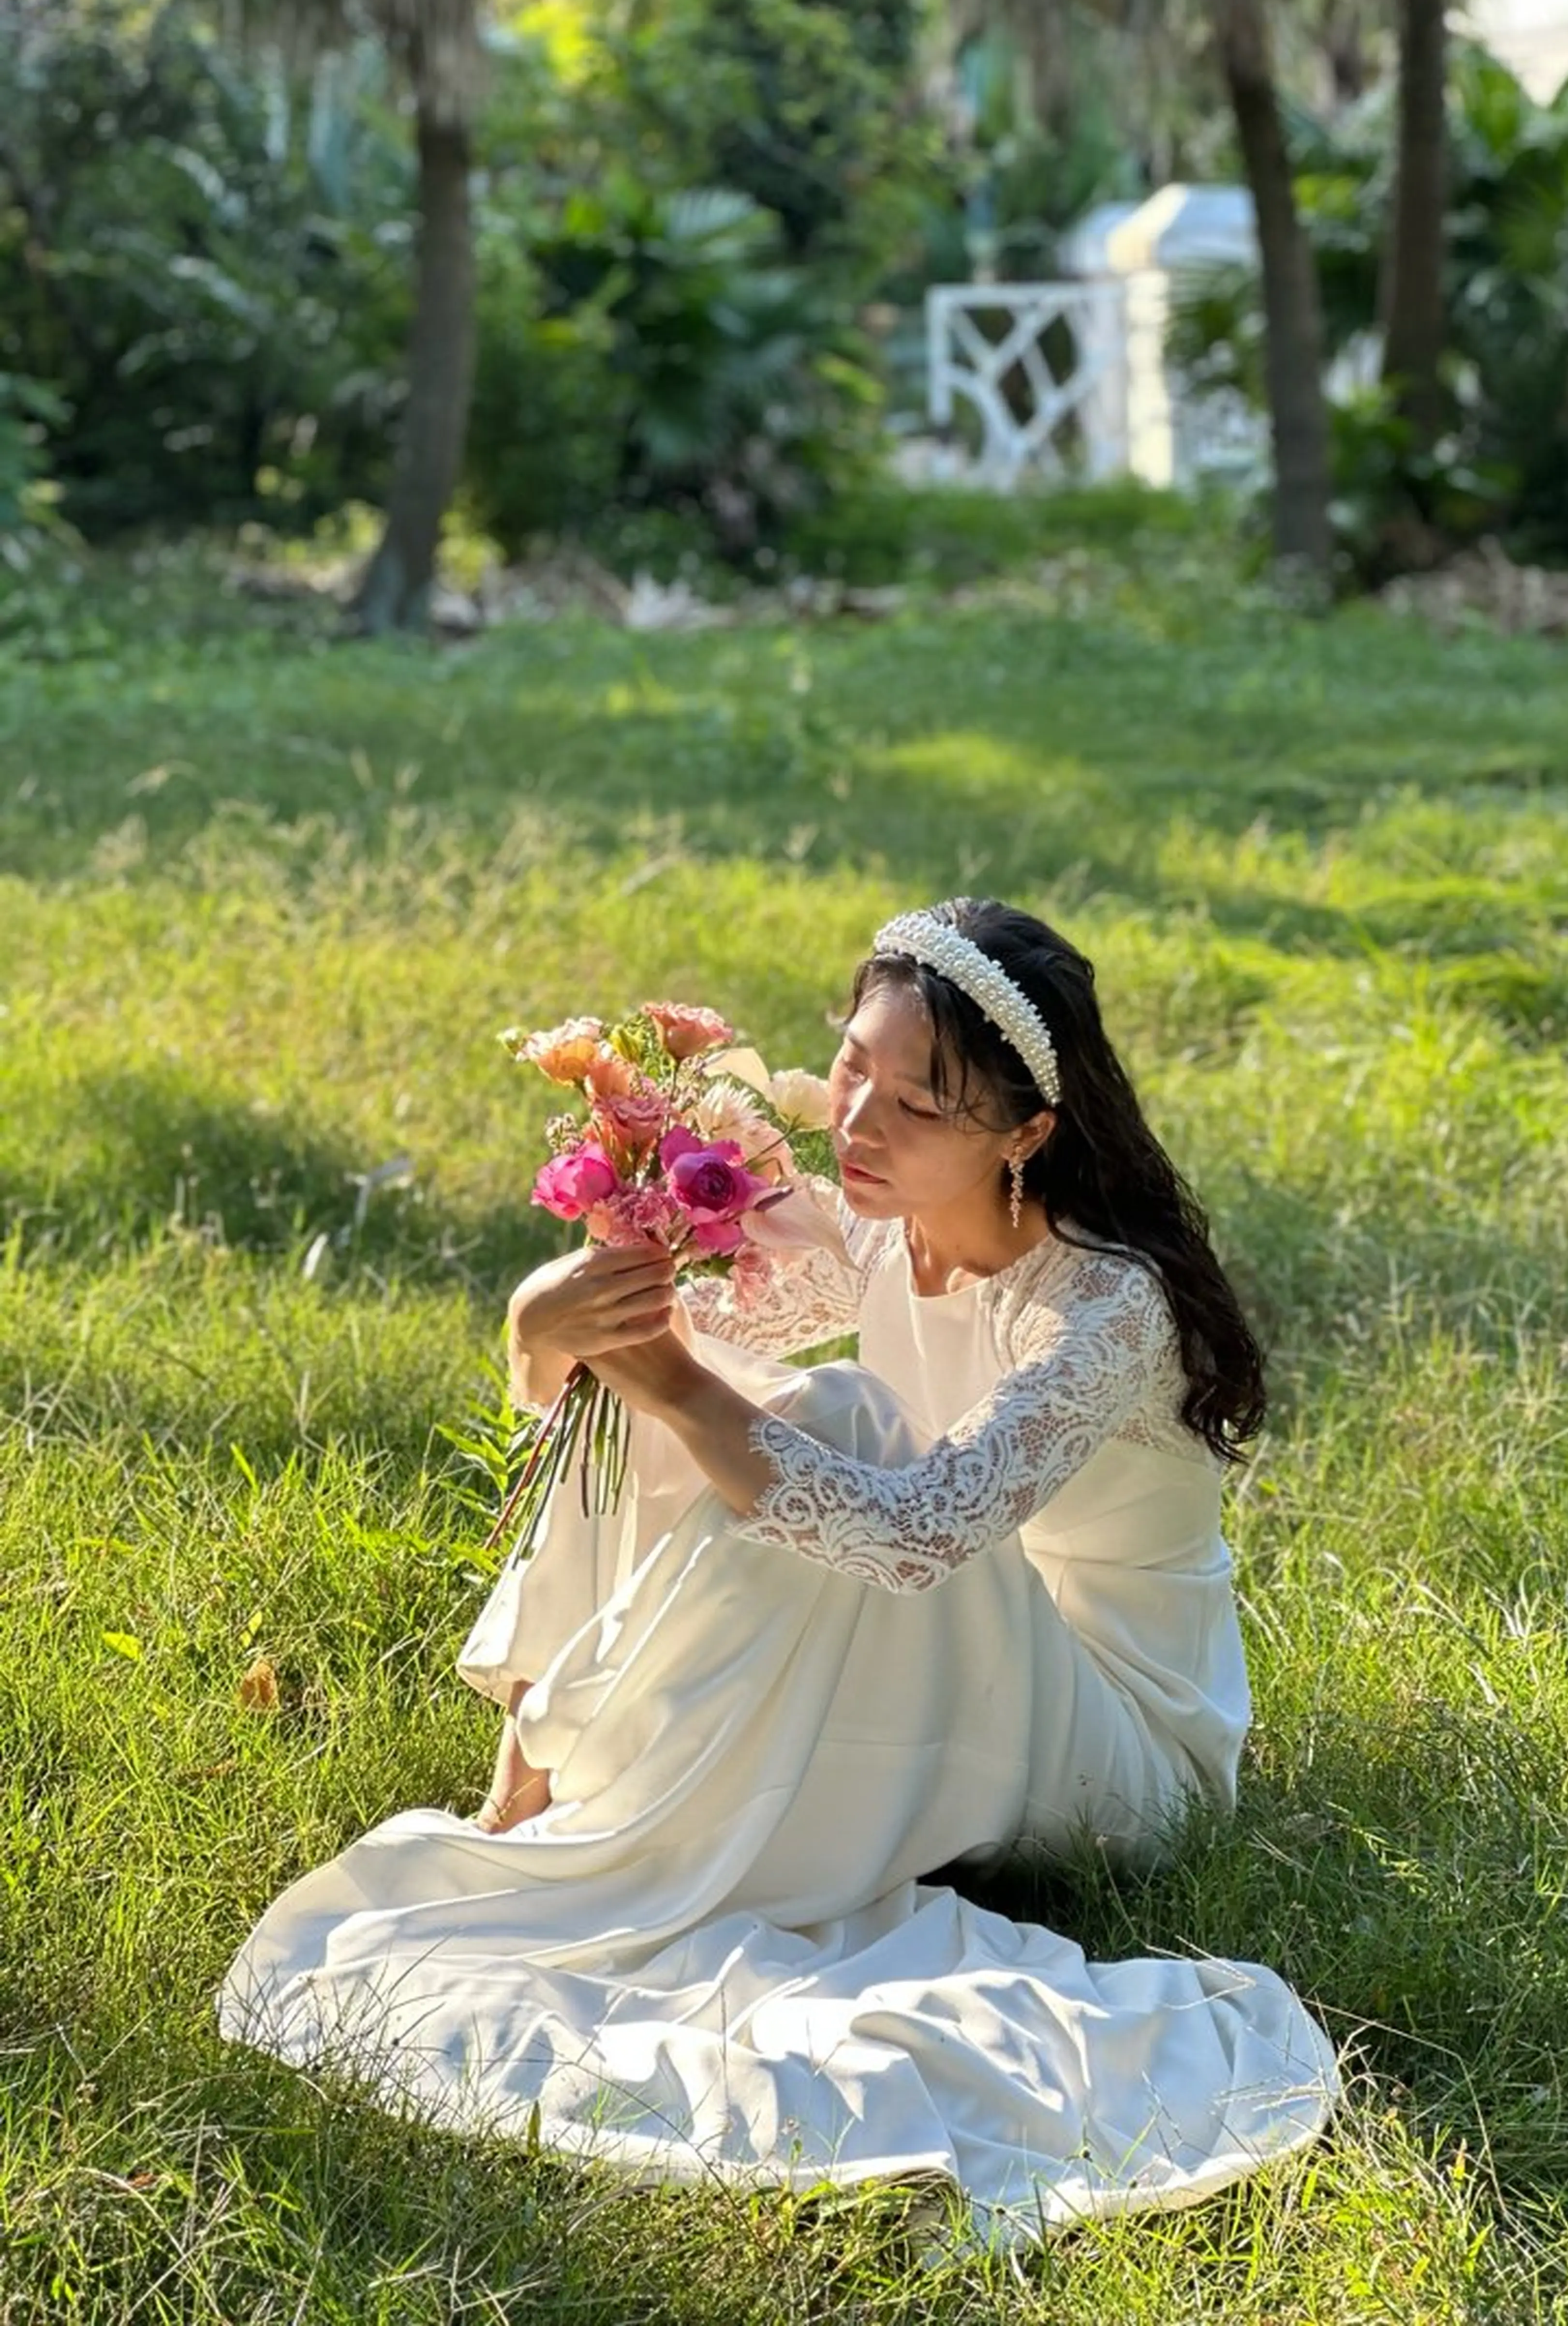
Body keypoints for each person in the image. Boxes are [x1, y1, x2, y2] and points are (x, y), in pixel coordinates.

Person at [220, 899, 1336, 2248]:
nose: (859, 1121)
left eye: (920, 1106)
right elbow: (637, 1362)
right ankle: (549, 1758)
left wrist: (681, 1386)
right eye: (855, 1065)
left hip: (1118, 1752)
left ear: (1026, 1136)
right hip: (968, 1673)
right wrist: (545, 1320)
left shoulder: (1106, 1306)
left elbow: (921, 1532)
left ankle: (612, 1791)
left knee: (829, 1424)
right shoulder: (882, 1232)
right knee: (722, 1392)